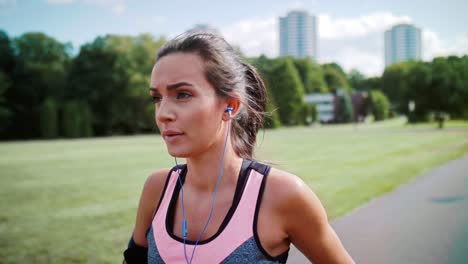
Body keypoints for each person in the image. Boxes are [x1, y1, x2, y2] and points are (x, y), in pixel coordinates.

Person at [123, 31, 354, 264]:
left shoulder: (283, 195)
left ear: (230, 105)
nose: (163, 114)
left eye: (183, 94)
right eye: (157, 98)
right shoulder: (157, 189)